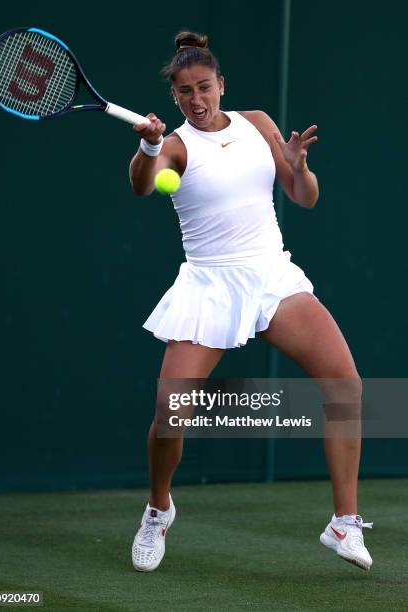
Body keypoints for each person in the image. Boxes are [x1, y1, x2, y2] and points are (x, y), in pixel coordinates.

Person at [128, 31, 372, 573]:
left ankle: (344, 523)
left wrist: (298, 165)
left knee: (346, 386)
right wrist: (147, 145)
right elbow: (142, 186)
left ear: (221, 84)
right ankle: (158, 510)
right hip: (210, 285)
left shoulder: (258, 123)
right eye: (185, 91)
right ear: (175, 98)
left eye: (205, 87)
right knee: (171, 416)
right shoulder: (174, 146)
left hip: (270, 276)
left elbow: (302, 198)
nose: (197, 99)